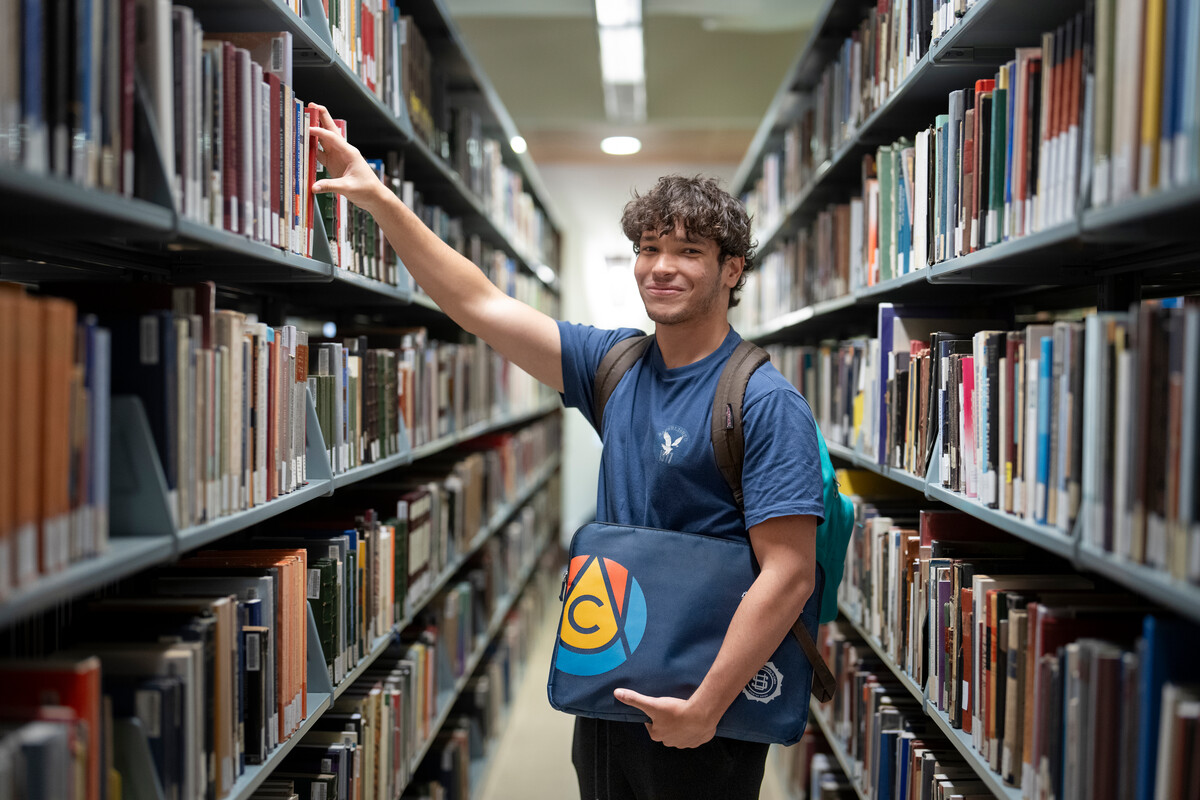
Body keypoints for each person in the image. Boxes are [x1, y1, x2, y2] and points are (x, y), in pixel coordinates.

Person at [307, 103, 825, 800]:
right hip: (609, 679)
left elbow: (790, 575)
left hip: (705, 702)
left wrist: (705, 708)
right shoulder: (611, 363)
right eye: (647, 248)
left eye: (688, 252)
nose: (660, 268)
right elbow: (481, 304)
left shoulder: (763, 402)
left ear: (733, 270)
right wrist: (379, 201)